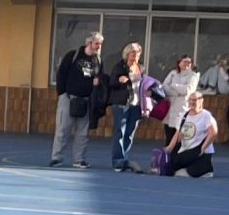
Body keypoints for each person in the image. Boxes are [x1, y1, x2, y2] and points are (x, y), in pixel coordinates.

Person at [49, 32, 104, 168]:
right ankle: (57, 158)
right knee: (63, 129)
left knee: (83, 132)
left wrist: (97, 84)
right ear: (89, 43)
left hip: (86, 100)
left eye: (100, 44)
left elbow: (99, 77)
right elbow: (61, 73)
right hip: (68, 97)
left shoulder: (98, 61)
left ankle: (79, 159)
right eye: (96, 43)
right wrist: (62, 93)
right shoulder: (73, 55)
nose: (99, 47)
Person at [106, 42, 159, 175]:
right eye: (133, 52)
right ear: (127, 54)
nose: (135, 55)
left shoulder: (141, 68)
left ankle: (125, 159)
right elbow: (111, 83)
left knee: (129, 133)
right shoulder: (119, 66)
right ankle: (118, 161)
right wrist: (119, 80)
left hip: (137, 104)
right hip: (122, 103)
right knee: (120, 132)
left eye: (137, 53)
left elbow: (144, 83)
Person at [160, 89, 218, 180]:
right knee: (172, 166)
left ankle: (205, 170)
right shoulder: (184, 115)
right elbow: (178, 134)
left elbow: (213, 132)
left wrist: (204, 147)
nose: (191, 102)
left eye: (194, 100)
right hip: (186, 151)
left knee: (192, 172)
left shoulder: (206, 115)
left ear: (201, 101)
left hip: (200, 152)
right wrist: (169, 148)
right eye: (190, 100)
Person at [158, 52, 201, 135]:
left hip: (182, 108)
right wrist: (178, 93)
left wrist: (174, 85)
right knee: (169, 134)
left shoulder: (193, 75)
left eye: (189, 62)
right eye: (184, 61)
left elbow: (188, 90)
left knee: (180, 134)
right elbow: (164, 88)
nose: (187, 64)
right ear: (179, 63)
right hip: (170, 107)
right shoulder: (173, 73)